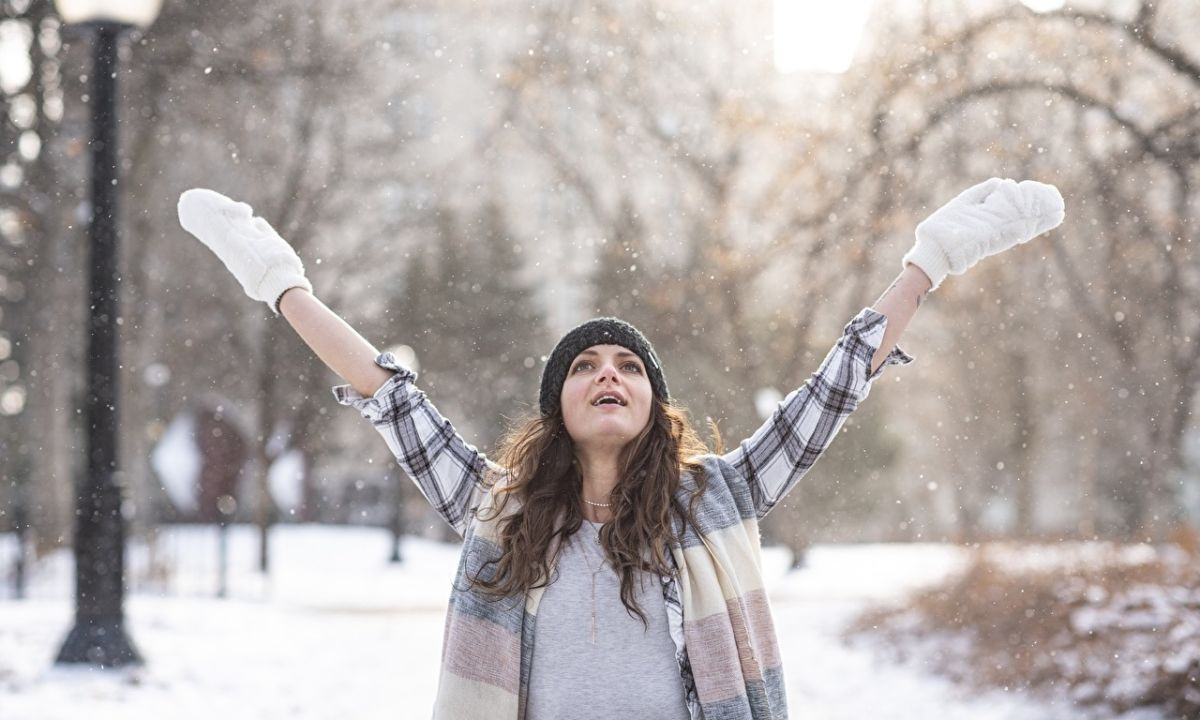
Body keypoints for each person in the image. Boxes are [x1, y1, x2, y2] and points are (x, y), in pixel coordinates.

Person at [177, 177, 1064, 720]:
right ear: (556, 405)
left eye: (628, 366)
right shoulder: (503, 509)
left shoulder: (717, 495)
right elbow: (387, 393)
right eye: (586, 367)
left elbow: (832, 389)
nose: (609, 374)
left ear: (654, 401)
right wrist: (278, 281)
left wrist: (929, 261)